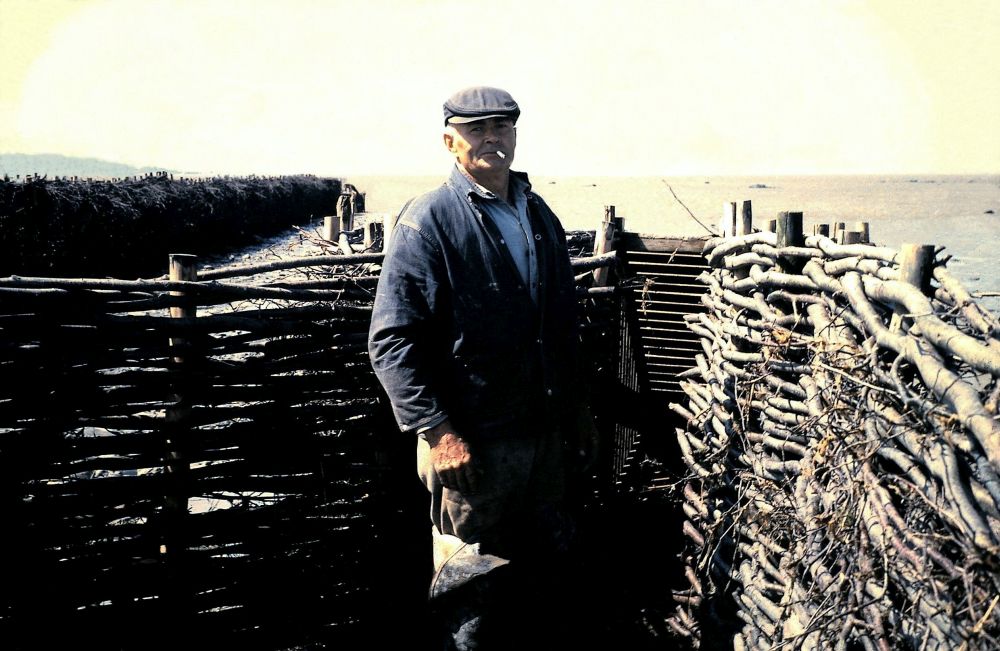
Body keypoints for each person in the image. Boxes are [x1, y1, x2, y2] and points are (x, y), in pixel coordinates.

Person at [368, 86, 600, 650]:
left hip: (543, 440)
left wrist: (577, 412)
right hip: (472, 447)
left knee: (544, 576)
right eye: (477, 129)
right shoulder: (429, 220)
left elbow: (561, 328)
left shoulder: (537, 213)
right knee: (469, 588)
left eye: (502, 126)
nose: (492, 137)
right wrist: (439, 432)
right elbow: (391, 341)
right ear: (450, 141)